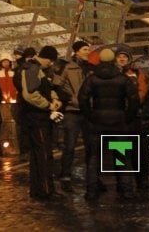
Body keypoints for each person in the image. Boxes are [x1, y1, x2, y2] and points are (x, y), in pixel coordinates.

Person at [79, 48, 139, 200]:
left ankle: (91, 191)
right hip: (119, 124)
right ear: (113, 60)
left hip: (98, 123)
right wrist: (127, 117)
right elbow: (134, 100)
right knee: (122, 157)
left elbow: (83, 99)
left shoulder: (92, 79)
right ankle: (126, 190)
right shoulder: (123, 79)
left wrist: (91, 116)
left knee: (94, 158)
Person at [21, 45, 63, 200]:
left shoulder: (37, 69)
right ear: (46, 58)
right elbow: (31, 94)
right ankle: (45, 190)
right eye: (51, 61)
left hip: (38, 117)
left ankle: (40, 189)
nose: (51, 64)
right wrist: (48, 105)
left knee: (40, 154)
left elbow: (45, 88)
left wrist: (54, 98)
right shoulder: (32, 69)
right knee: (43, 154)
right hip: (37, 118)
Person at [52, 40, 92, 192]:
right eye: (84, 49)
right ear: (76, 52)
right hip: (72, 111)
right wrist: (70, 99)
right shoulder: (67, 67)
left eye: (88, 49)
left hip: (88, 111)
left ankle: (92, 175)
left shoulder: (91, 68)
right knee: (70, 145)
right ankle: (65, 175)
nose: (87, 51)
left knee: (91, 145)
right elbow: (57, 86)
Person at [115, 45, 149, 190]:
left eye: (125, 56)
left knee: (139, 151)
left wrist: (132, 103)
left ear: (129, 59)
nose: (122, 59)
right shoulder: (112, 73)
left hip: (135, 117)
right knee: (120, 151)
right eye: (119, 56)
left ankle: (142, 179)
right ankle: (122, 182)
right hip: (119, 119)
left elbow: (142, 91)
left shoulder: (137, 73)